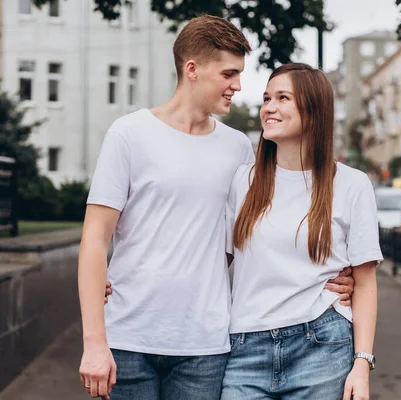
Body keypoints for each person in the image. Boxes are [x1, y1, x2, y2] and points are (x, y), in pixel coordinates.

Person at [78, 15, 353, 400]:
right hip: (128, 337)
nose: (237, 86)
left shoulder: (238, 148)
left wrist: (336, 276)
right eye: (228, 74)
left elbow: (261, 237)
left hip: (205, 347)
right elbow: (94, 239)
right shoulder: (129, 134)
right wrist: (94, 342)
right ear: (192, 69)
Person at [221, 63, 381, 400]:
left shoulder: (351, 184)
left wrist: (362, 365)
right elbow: (214, 264)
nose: (269, 108)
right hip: (246, 347)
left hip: (321, 344)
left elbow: (365, 282)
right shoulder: (244, 181)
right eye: (266, 98)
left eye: (282, 98)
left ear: (313, 110)